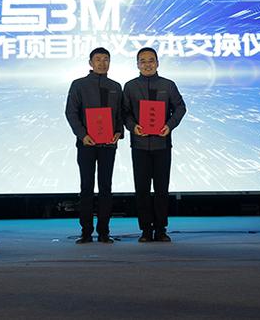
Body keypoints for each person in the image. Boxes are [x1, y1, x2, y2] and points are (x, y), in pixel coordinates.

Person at [123, 47, 186, 243]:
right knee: (142, 189)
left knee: (161, 189)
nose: (147, 64)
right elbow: (125, 113)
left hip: (162, 144)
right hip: (139, 145)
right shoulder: (130, 86)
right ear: (137, 65)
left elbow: (180, 107)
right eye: (143, 61)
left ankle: (160, 229)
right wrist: (133, 127)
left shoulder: (168, 85)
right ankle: (145, 230)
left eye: (151, 60)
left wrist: (169, 125)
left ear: (157, 63)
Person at [65, 47, 123, 244]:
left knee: (106, 187)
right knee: (86, 186)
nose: (102, 63)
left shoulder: (115, 86)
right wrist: (82, 135)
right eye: (98, 59)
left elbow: (120, 114)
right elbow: (71, 112)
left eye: (106, 59)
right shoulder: (79, 85)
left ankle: (104, 231)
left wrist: (118, 131)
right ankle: (86, 232)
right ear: (90, 63)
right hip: (86, 144)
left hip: (108, 144)